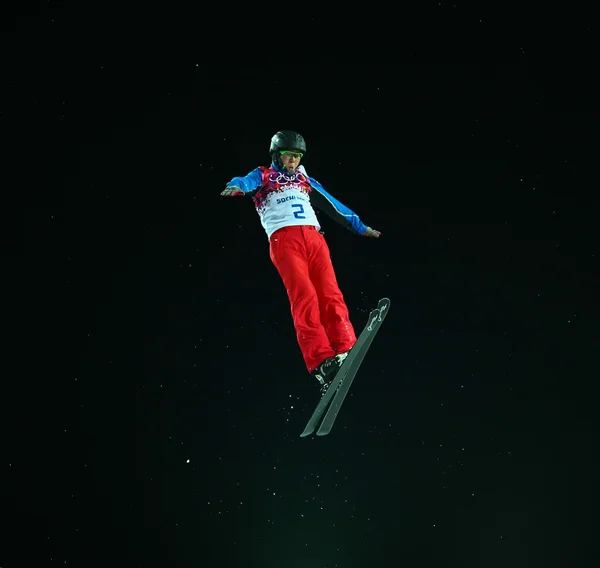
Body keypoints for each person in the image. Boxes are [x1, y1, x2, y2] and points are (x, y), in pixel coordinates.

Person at [221, 130, 380, 395]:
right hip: (285, 240)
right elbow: (244, 181)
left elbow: (333, 204)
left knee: (330, 293)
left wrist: (360, 227)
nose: (293, 161)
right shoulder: (263, 175)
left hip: (314, 238)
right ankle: (321, 362)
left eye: (297, 156)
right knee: (305, 297)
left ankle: (344, 347)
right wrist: (237, 186)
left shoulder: (304, 178)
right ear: (276, 155)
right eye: (288, 156)